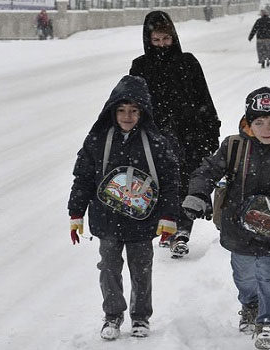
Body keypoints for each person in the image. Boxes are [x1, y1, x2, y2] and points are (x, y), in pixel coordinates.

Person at [182, 87, 270, 350]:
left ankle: (268, 321)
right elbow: (207, 171)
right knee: (244, 275)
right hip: (237, 227)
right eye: (259, 122)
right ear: (249, 123)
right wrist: (198, 193)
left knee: (269, 275)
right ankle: (250, 305)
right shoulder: (234, 146)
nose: (266, 128)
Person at [68, 75, 180, 340]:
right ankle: (113, 315)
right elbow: (83, 177)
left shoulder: (156, 142)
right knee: (109, 267)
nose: (127, 116)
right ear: (112, 110)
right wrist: (76, 213)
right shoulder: (97, 140)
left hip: (143, 220)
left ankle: (141, 317)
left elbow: (170, 181)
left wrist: (168, 216)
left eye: (133, 110)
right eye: (121, 110)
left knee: (141, 269)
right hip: (106, 218)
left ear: (143, 112)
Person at [129, 11, 221, 258]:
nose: (161, 45)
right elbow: (131, 102)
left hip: (190, 136)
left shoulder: (188, 62)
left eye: (165, 40)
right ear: (149, 40)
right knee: (160, 185)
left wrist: (212, 131)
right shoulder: (140, 66)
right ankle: (166, 227)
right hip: (155, 137)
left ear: (174, 37)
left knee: (185, 184)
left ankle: (181, 232)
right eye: (156, 40)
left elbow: (204, 98)